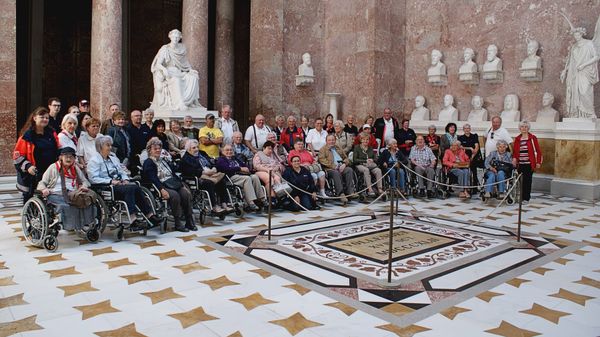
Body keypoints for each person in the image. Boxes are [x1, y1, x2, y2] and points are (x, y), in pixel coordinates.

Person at [87, 135, 161, 226]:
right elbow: (93, 179)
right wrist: (111, 181)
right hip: (106, 187)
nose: (110, 147)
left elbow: (121, 171)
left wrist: (125, 179)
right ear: (100, 147)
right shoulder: (94, 161)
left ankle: (150, 215)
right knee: (129, 189)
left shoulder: (113, 159)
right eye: (108, 145)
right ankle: (132, 219)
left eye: (110, 145)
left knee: (136, 187)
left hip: (120, 184)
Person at [142, 137, 194, 232]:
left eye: (159, 148)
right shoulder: (148, 162)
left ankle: (189, 220)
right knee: (175, 196)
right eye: (155, 148)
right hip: (160, 185)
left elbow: (173, 174)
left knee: (185, 194)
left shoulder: (163, 160)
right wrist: (161, 189)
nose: (158, 150)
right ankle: (178, 223)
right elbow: (153, 178)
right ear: (149, 150)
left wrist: (182, 185)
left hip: (172, 183)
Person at [37, 147, 96, 231]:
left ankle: (86, 225)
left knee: (86, 202)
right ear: (61, 157)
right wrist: (44, 189)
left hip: (72, 194)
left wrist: (84, 186)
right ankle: (70, 226)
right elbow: (42, 182)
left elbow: (85, 181)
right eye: (66, 156)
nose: (68, 159)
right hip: (56, 194)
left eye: (71, 157)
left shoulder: (75, 168)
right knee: (67, 206)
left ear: (74, 159)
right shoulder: (53, 167)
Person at [14, 107, 60, 202]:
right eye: (42, 117)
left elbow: (58, 149)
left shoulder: (52, 133)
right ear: (35, 118)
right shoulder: (26, 136)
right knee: (31, 198)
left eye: (47, 118)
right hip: (34, 173)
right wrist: (28, 166)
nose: (45, 119)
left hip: (49, 171)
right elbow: (17, 156)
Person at [150, 29, 201, 110]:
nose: (176, 39)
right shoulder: (165, 48)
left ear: (180, 38)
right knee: (176, 80)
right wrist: (164, 69)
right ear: (170, 37)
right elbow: (158, 64)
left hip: (179, 71)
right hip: (169, 72)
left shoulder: (182, 48)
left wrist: (190, 69)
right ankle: (179, 103)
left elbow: (185, 62)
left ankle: (191, 102)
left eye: (177, 37)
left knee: (193, 77)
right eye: (174, 37)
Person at [560, 26, 599, 118]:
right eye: (575, 35)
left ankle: (590, 113)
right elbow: (571, 61)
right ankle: (576, 114)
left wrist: (584, 65)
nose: (576, 37)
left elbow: (596, 57)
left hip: (585, 71)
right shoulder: (574, 47)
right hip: (574, 72)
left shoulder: (589, 43)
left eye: (578, 35)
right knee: (575, 92)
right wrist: (565, 71)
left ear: (582, 34)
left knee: (585, 92)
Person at [179, 139, 227, 214]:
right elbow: (190, 171)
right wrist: (204, 172)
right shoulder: (185, 159)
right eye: (194, 148)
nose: (196, 149)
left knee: (222, 181)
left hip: (210, 173)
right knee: (209, 183)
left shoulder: (202, 153)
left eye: (197, 147)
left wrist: (214, 168)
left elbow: (211, 161)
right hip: (198, 178)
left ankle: (224, 203)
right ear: (188, 149)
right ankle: (214, 206)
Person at [216, 144, 265, 211]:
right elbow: (226, 169)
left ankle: (261, 199)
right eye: (227, 150)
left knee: (254, 177)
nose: (229, 151)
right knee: (247, 179)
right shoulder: (221, 160)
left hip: (241, 175)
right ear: (222, 151)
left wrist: (247, 169)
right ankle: (250, 202)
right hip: (230, 177)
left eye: (231, 150)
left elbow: (244, 166)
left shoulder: (234, 158)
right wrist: (239, 169)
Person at [318, 134, 355, 203]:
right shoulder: (322, 150)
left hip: (341, 166)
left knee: (349, 170)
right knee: (336, 173)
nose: (331, 141)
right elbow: (322, 160)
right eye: (329, 140)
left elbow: (346, 158)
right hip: (330, 169)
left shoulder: (338, 147)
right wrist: (335, 166)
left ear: (335, 141)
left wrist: (344, 164)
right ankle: (341, 194)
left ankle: (350, 191)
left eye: (333, 140)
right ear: (326, 141)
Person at [512, 121, 542, 204]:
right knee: (520, 181)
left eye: (525, 127)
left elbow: (538, 151)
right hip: (520, 164)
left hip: (529, 164)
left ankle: (526, 198)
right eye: (522, 127)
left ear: (528, 128)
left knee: (527, 181)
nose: (524, 128)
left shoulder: (533, 138)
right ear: (520, 128)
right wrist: (514, 159)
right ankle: (521, 197)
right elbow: (515, 152)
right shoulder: (517, 139)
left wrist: (538, 162)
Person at [126, 109, 151, 175]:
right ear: (131, 118)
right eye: (136, 116)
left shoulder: (146, 128)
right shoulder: (127, 129)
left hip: (146, 156)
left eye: (140, 116)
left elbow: (150, 141)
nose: (139, 117)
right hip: (133, 158)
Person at [458, 123, 482, 190]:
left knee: (474, 171)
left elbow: (476, 147)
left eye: (468, 128)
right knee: (465, 170)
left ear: (470, 129)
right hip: (464, 156)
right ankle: (465, 187)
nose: (467, 130)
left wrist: (472, 157)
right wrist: (470, 148)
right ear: (463, 130)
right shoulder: (460, 138)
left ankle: (475, 187)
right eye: (465, 128)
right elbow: (459, 146)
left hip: (474, 156)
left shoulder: (474, 136)